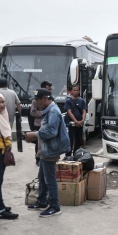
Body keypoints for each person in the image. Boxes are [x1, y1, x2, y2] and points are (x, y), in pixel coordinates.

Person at [25, 89, 71, 218]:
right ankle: (41, 201)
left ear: (44, 98)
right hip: (45, 150)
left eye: (37, 100)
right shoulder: (48, 111)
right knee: (42, 177)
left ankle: (55, 207)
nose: (36, 104)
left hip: (51, 150)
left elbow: (51, 131)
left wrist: (34, 135)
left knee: (50, 179)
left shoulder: (53, 111)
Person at [30, 81, 52, 165]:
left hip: (47, 124)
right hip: (39, 124)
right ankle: (38, 159)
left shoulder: (51, 100)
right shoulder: (35, 101)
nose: (49, 91)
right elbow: (33, 112)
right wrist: (43, 113)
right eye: (48, 89)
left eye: (50, 89)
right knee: (38, 142)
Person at [64, 84, 87, 155]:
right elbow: (69, 112)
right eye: (74, 90)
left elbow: (84, 111)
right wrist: (75, 121)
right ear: (71, 91)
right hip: (72, 124)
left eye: (77, 90)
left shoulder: (82, 101)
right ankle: (68, 155)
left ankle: (76, 154)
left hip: (80, 124)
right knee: (70, 139)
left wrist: (83, 120)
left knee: (78, 140)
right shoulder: (68, 101)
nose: (76, 92)